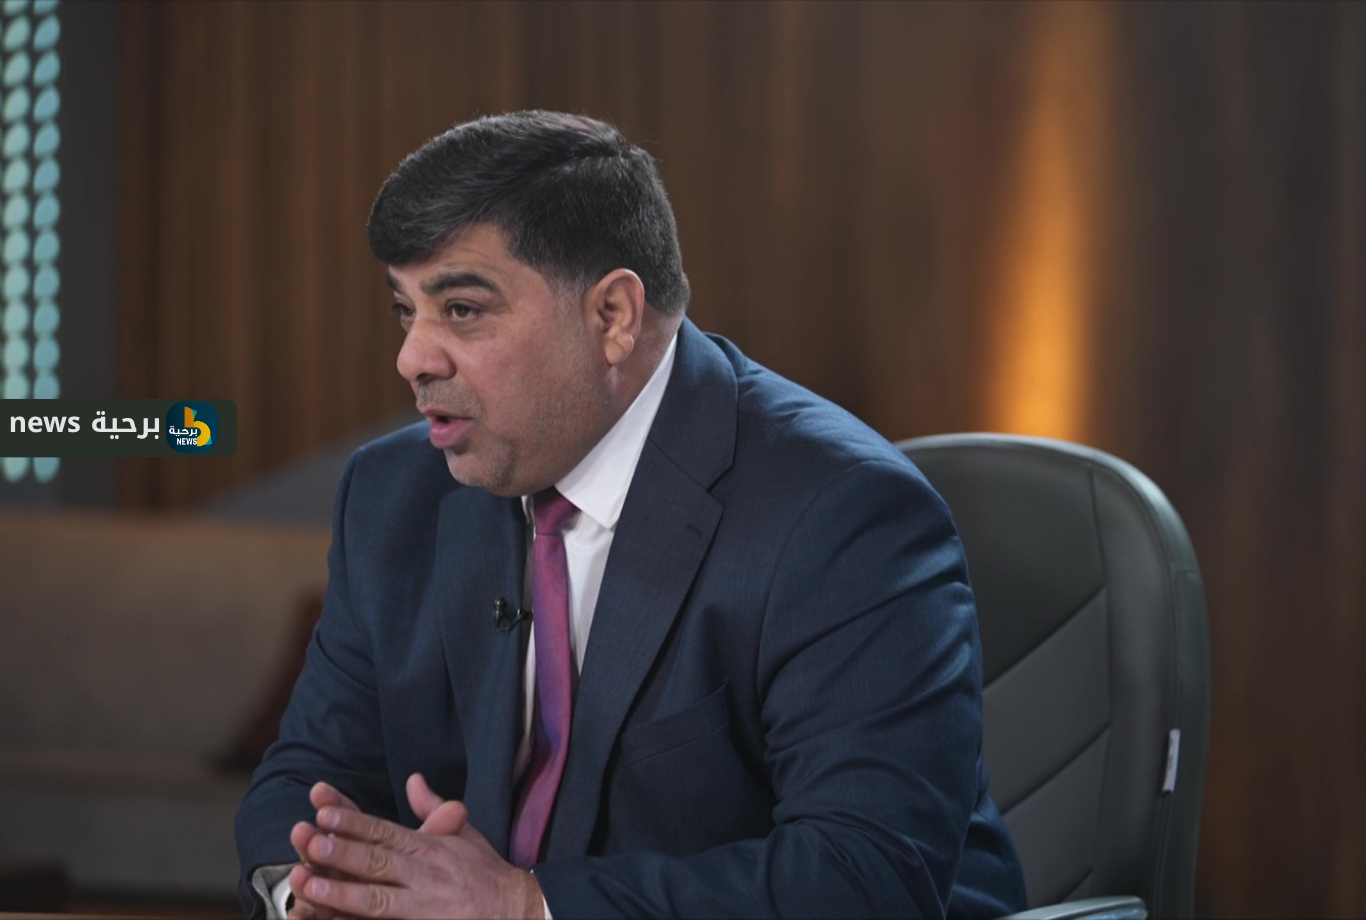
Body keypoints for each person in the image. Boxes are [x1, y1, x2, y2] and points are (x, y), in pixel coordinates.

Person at [235, 110, 1026, 920]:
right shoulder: (395, 493)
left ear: (612, 315)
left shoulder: (841, 514)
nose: (413, 357)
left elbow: (865, 876)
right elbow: (307, 774)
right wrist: (316, 893)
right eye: (407, 310)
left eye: (462, 309)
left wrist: (523, 907)